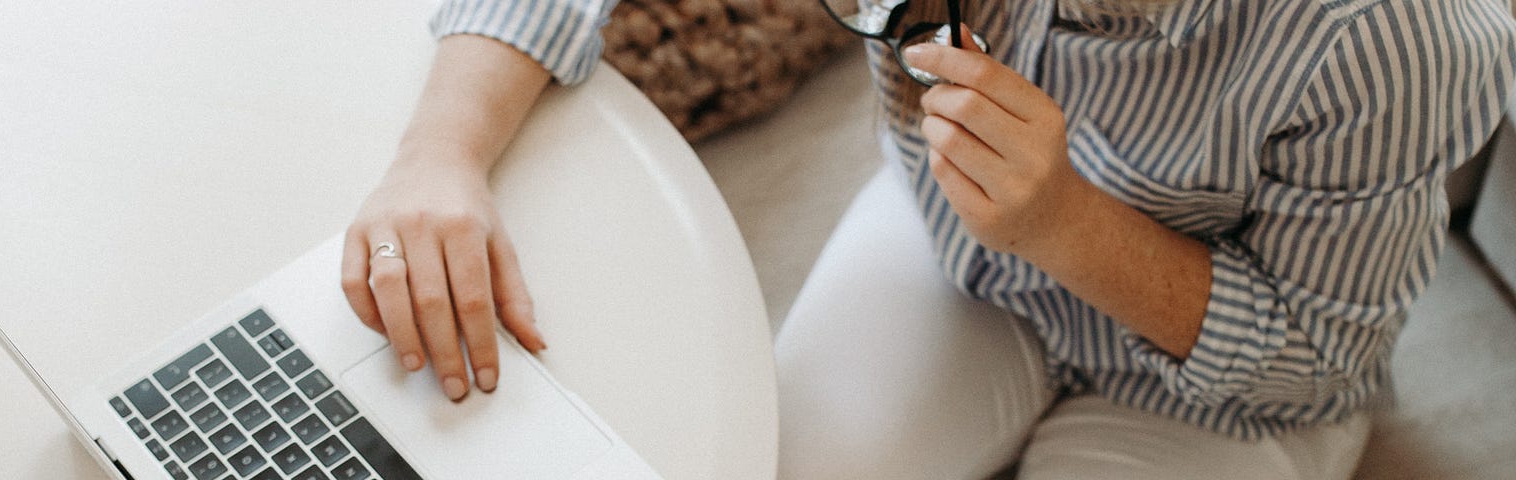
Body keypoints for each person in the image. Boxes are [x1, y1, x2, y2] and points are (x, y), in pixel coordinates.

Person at [339, 0, 1516, 478]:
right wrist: (438, 151)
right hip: (950, 254)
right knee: (771, 463)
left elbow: (1319, 355)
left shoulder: (1400, 41)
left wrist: (1066, 222)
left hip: (1222, 388)